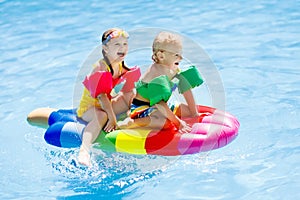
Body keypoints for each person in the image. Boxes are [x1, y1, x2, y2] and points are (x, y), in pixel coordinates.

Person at [77, 28, 140, 166]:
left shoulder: (120, 65)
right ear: (105, 48)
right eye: (117, 44)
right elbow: (102, 97)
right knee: (101, 116)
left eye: (125, 44)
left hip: (107, 106)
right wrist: (112, 119)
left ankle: (135, 118)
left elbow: (129, 89)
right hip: (90, 109)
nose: (122, 48)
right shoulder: (101, 68)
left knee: (130, 94)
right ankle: (84, 150)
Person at [118, 31, 203, 131]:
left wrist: (194, 113)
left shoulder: (174, 69)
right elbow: (159, 103)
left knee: (187, 112)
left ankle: (185, 113)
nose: (181, 58)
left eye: (180, 54)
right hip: (143, 108)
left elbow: (186, 88)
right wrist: (179, 123)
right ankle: (130, 122)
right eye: (176, 55)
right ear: (161, 56)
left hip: (163, 106)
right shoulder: (156, 75)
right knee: (165, 123)